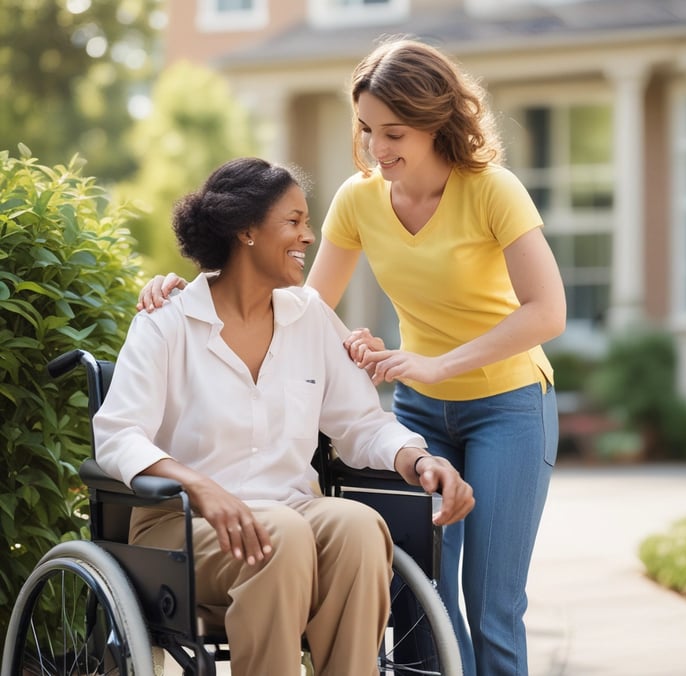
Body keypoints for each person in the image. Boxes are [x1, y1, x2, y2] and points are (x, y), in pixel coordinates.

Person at [137, 37, 566, 676]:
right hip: (420, 411)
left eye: (393, 132)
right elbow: (296, 309)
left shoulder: (491, 191)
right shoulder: (360, 198)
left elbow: (546, 313)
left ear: (435, 122)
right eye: (366, 130)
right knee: (421, 595)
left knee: (492, 603)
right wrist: (195, 285)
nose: (376, 148)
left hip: (507, 402)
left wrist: (439, 363)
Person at [97, 156, 475, 676]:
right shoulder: (168, 323)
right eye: (294, 221)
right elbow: (117, 435)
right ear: (245, 231)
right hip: (182, 525)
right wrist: (197, 484)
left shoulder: (310, 317)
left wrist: (417, 458)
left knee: (360, 526)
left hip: (291, 510)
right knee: (281, 535)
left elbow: (360, 423)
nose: (310, 235)